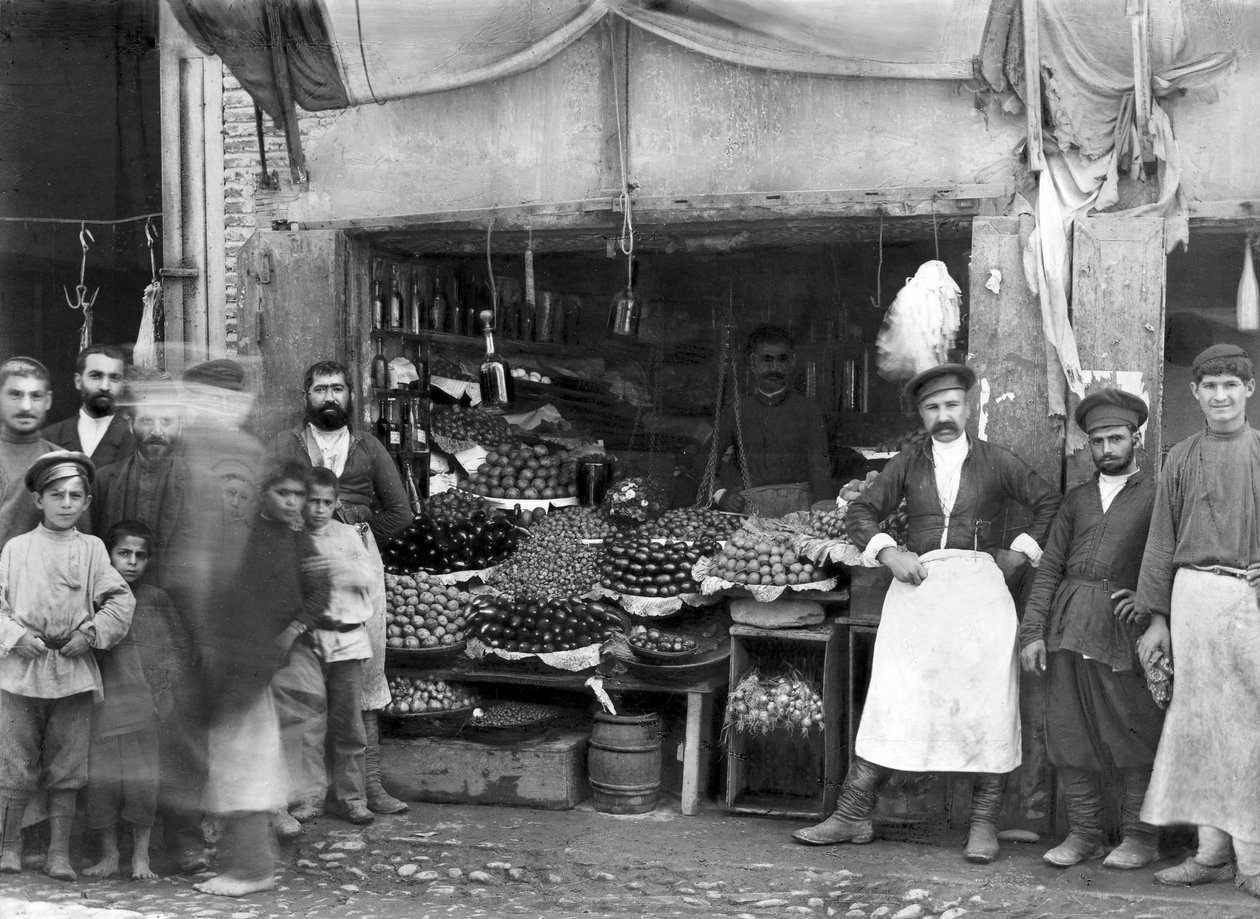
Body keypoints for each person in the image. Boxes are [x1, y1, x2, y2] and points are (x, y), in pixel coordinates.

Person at [793, 363, 1060, 863]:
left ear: (969, 407)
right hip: (918, 596)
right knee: (896, 697)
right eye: (933, 407)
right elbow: (861, 510)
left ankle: (983, 825)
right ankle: (852, 812)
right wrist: (889, 552)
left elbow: (1050, 503)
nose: (944, 416)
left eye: (952, 405)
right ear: (921, 413)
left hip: (982, 597)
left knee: (987, 705)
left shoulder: (998, 461)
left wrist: (1021, 552)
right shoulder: (908, 463)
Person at [1019, 389, 1164, 869]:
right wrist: (1033, 632)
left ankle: (1140, 839)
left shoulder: (1158, 495)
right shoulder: (1077, 499)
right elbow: (1050, 567)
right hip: (1067, 626)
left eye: (1116, 438)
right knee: (1069, 732)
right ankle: (1084, 835)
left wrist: (1149, 605)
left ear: (1136, 439)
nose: (1106, 449)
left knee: (1134, 731)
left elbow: (1170, 560)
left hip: (1122, 632)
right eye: (1098, 440)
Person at [1134, 343, 1260, 897]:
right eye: (1210, 385)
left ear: (1250, 391)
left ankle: (1253, 863)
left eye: (1231, 384)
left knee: (1250, 730)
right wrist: (1156, 619)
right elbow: (1161, 542)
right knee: (1201, 726)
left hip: (1250, 601)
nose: (1221, 395)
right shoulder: (1179, 457)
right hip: (1192, 601)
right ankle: (1210, 855)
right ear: (1195, 393)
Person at [269, 360, 414, 817]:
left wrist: (354, 527)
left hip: (356, 568)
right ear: (305, 397)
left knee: (363, 675)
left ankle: (367, 788)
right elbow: (263, 501)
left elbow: (400, 512)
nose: (328, 397)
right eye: (319, 390)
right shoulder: (284, 446)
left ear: (351, 396)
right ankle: (306, 792)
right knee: (302, 680)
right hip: (301, 569)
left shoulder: (368, 448)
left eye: (337, 389)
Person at [92, 381, 224, 873]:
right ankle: (112, 846)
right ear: (130, 424)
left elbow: (215, 563)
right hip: (121, 626)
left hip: (180, 625)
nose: (157, 431)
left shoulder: (202, 482)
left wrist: (206, 633)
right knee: (117, 733)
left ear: (180, 426)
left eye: (167, 421)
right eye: (147, 420)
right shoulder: (105, 480)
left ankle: (184, 840)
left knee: (180, 733)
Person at [195, 459, 326, 897]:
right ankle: (246, 863)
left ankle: (251, 870)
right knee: (239, 760)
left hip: (260, 665)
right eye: (282, 493)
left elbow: (319, 594)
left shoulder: (298, 542)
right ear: (264, 494)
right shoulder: (240, 537)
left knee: (245, 761)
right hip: (238, 661)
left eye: (298, 495)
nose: (291, 503)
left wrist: (290, 632)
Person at [0, 451, 134, 880]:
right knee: (13, 762)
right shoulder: (16, 549)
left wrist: (90, 634)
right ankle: (8, 846)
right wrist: (16, 636)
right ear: (38, 499)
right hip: (20, 673)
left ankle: (59, 853)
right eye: (55, 494)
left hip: (73, 673)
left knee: (68, 765)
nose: (65, 502)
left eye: (75, 495)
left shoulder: (93, 550)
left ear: (87, 502)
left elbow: (119, 599)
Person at [84, 520, 179, 881]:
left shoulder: (155, 599)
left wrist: (161, 692)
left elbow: (175, 650)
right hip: (102, 709)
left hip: (143, 710)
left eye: (141, 555)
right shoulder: (96, 597)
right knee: (103, 785)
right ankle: (109, 856)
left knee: (142, 785)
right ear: (109, 556)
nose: (132, 561)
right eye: (124, 553)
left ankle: (141, 859)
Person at [297, 467, 375, 825]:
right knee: (308, 724)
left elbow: (366, 578)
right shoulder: (293, 536)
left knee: (348, 725)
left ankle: (352, 796)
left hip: (347, 640)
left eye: (326, 502)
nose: (318, 509)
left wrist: (331, 565)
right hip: (308, 640)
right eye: (312, 501)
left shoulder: (348, 536)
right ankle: (311, 795)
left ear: (337, 502)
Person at [700, 325, 836, 516]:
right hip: (750, 514)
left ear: (792, 363)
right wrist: (722, 495)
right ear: (753, 363)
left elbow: (820, 469)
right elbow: (705, 460)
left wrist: (823, 513)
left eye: (782, 360)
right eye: (767, 360)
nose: (775, 368)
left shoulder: (809, 410)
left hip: (800, 513)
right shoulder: (735, 411)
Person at [0, 356, 59, 548]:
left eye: (36, 396)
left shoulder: (59, 461)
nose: (26, 406)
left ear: (48, 400)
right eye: (15, 394)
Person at [42, 344, 134, 467]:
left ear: (123, 385)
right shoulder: (51, 436)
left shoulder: (134, 439)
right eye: (96, 376)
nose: (105, 387)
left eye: (114, 378)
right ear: (78, 381)